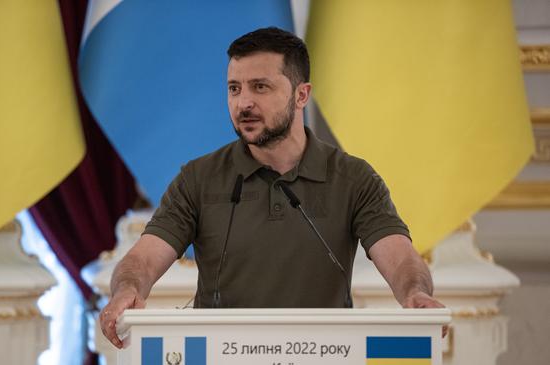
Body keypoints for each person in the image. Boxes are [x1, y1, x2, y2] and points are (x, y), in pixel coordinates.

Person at [99, 27, 445, 348]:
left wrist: (414, 292)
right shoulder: (198, 177)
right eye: (234, 88)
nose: (243, 103)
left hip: (323, 353)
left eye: (260, 87)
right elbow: (143, 259)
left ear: (301, 95)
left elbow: (399, 257)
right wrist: (127, 288)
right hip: (221, 354)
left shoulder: (354, 178)